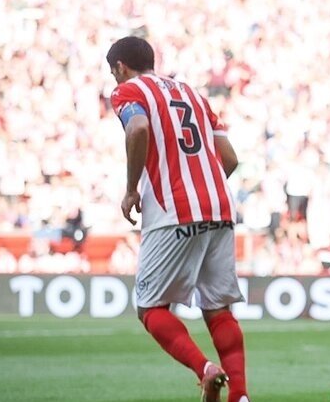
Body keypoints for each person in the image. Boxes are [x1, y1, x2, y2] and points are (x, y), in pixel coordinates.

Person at [106, 36, 250, 402]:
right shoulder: (193, 94)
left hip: (174, 211)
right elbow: (229, 158)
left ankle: (205, 369)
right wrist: (204, 186)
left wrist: (131, 188)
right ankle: (242, 396)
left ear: (121, 67)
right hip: (219, 206)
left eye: (113, 73)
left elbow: (138, 128)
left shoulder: (128, 91)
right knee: (218, 307)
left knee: (150, 308)